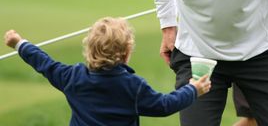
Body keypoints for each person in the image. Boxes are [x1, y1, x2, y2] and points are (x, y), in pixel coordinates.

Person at [4, 17, 211, 126]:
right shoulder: (133, 86)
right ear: (127, 52)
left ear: (89, 48)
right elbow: (165, 105)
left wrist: (19, 43)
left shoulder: (72, 77)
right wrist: (193, 90)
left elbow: (44, 63)